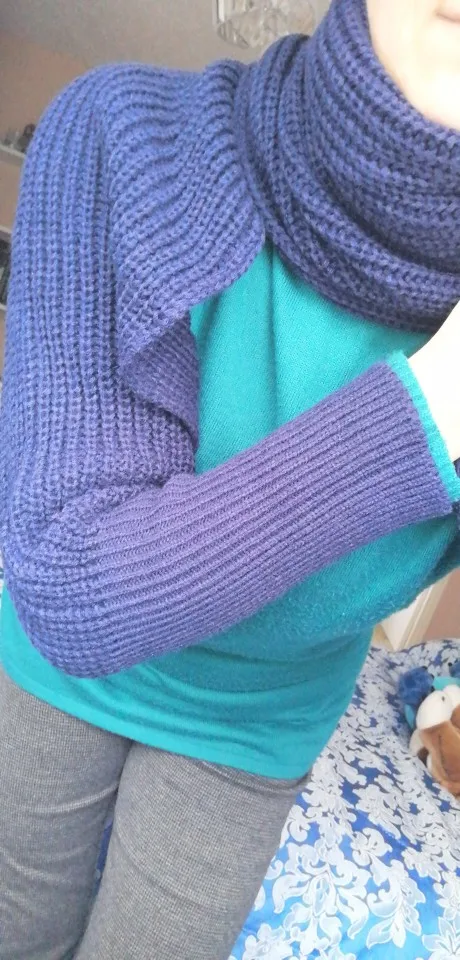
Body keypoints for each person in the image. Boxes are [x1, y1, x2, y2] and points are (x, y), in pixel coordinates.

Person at [1, 0, 460, 956]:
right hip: (56, 674)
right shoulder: (118, 137)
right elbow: (76, 585)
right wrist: (435, 408)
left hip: (258, 729)